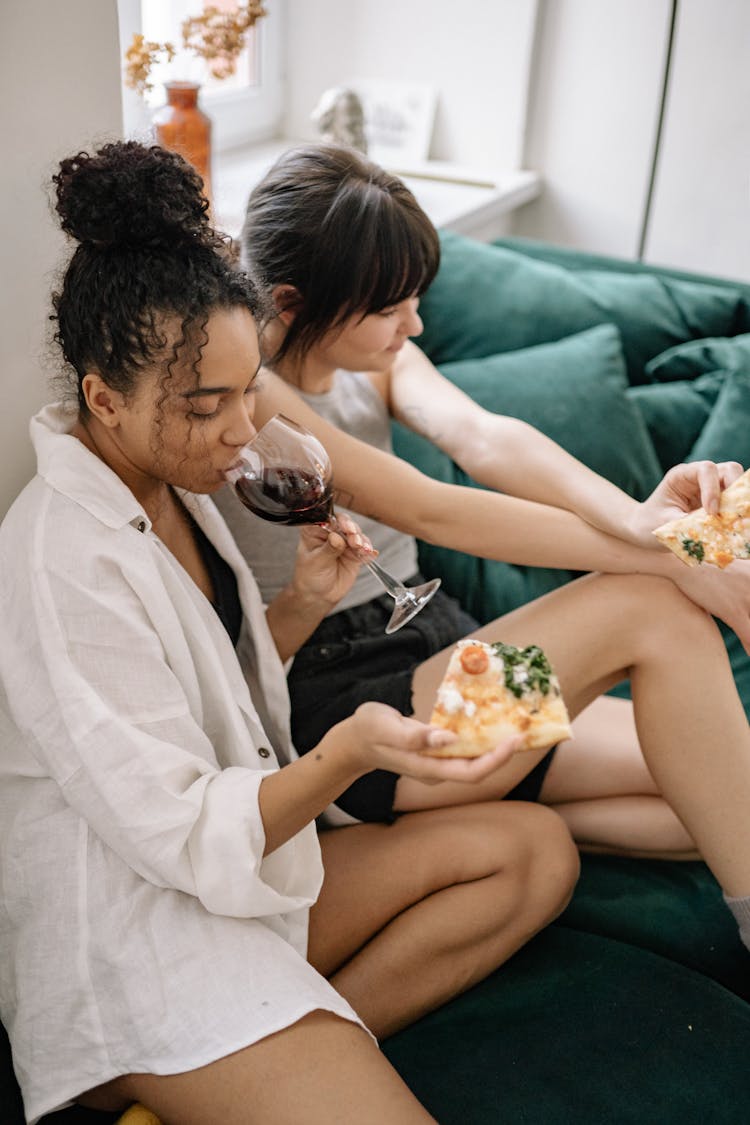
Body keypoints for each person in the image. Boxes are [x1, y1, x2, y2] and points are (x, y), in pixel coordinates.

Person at [0, 141, 580, 1125]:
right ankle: (244, 1061)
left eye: (244, 395)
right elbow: (179, 831)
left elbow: (213, 693)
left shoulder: (173, 488)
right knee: (628, 626)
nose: (238, 433)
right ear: (104, 397)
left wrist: (303, 606)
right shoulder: (62, 559)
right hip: (143, 937)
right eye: (204, 405)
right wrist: (344, 753)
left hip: (242, 864)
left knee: (537, 853)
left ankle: (289, 1055)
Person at [215, 141, 750, 939]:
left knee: (713, 789)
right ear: (292, 303)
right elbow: (436, 509)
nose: (415, 323)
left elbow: (487, 438)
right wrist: (670, 555)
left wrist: (650, 521)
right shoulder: (257, 396)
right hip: (353, 704)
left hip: (438, 650)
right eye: (391, 307)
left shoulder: (375, 359)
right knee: (652, 606)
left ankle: (454, 822)